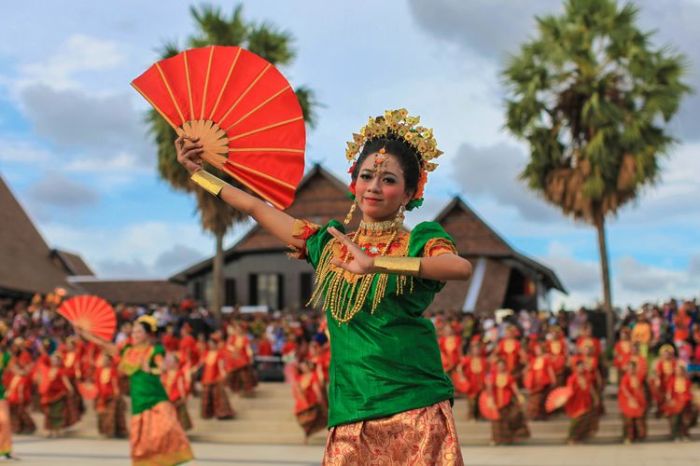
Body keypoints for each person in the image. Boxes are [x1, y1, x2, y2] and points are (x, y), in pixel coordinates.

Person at [177, 108, 472, 464]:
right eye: (366, 176)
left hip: (414, 406)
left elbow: (458, 267)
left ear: (411, 191)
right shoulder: (329, 245)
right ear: (353, 183)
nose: (374, 187)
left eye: (388, 180)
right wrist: (199, 175)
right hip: (350, 406)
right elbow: (257, 207)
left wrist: (376, 263)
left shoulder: (419, 241)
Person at [78, 315, 194, 466]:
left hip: (156, 397)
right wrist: (85, 334)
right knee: (144, 442)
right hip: (139, 400)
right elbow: (104, 345)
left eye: (138, 332)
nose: (135, 334)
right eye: (133, 332)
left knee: (167, 429)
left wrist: (152, 368)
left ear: (147, 334)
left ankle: (172, 462)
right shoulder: (127, 351)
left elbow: (163, 366)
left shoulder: (155, 350)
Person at [485, 359, 529, 445]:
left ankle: (507, 440)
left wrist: (519, 396)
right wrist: (490, 398)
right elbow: (489, 388)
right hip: (496, 403)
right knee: (496, 422)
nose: (501, 367)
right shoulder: (493, 376)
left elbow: (514, 387)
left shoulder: (509, 377)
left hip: (507, 402)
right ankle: (495, 440)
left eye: (502, 365)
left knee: (507, 421)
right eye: (499, 365)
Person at [564, 359, 599, 444]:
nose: (581, 368)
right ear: (576, 368)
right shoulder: (572, 378)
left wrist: (595, 398)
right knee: (576, 421)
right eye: (579, 367)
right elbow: (569, 390)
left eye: (582, 367)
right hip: (576, 402)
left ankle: (579, 438)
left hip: (586, 401)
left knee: (585, 420)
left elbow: (591, 388)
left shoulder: (587, 377)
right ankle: (571, 438)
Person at [618, 360, 647, 443]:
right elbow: (624, 389)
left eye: (632, 368)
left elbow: (643, 387)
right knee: (628, 420)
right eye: (629, 368)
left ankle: (638, 436)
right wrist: (630, 398)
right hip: (627, 401)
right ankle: (628, 437)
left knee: (638, 420)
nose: (631, 370)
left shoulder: (639, 376)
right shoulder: (625, 377)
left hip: (638, 401)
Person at [0, 347, 14, 460]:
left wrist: (9, 388)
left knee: (4, 422)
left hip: (1, 394)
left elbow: (11, 372)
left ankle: (5, 450)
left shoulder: (4, 356)